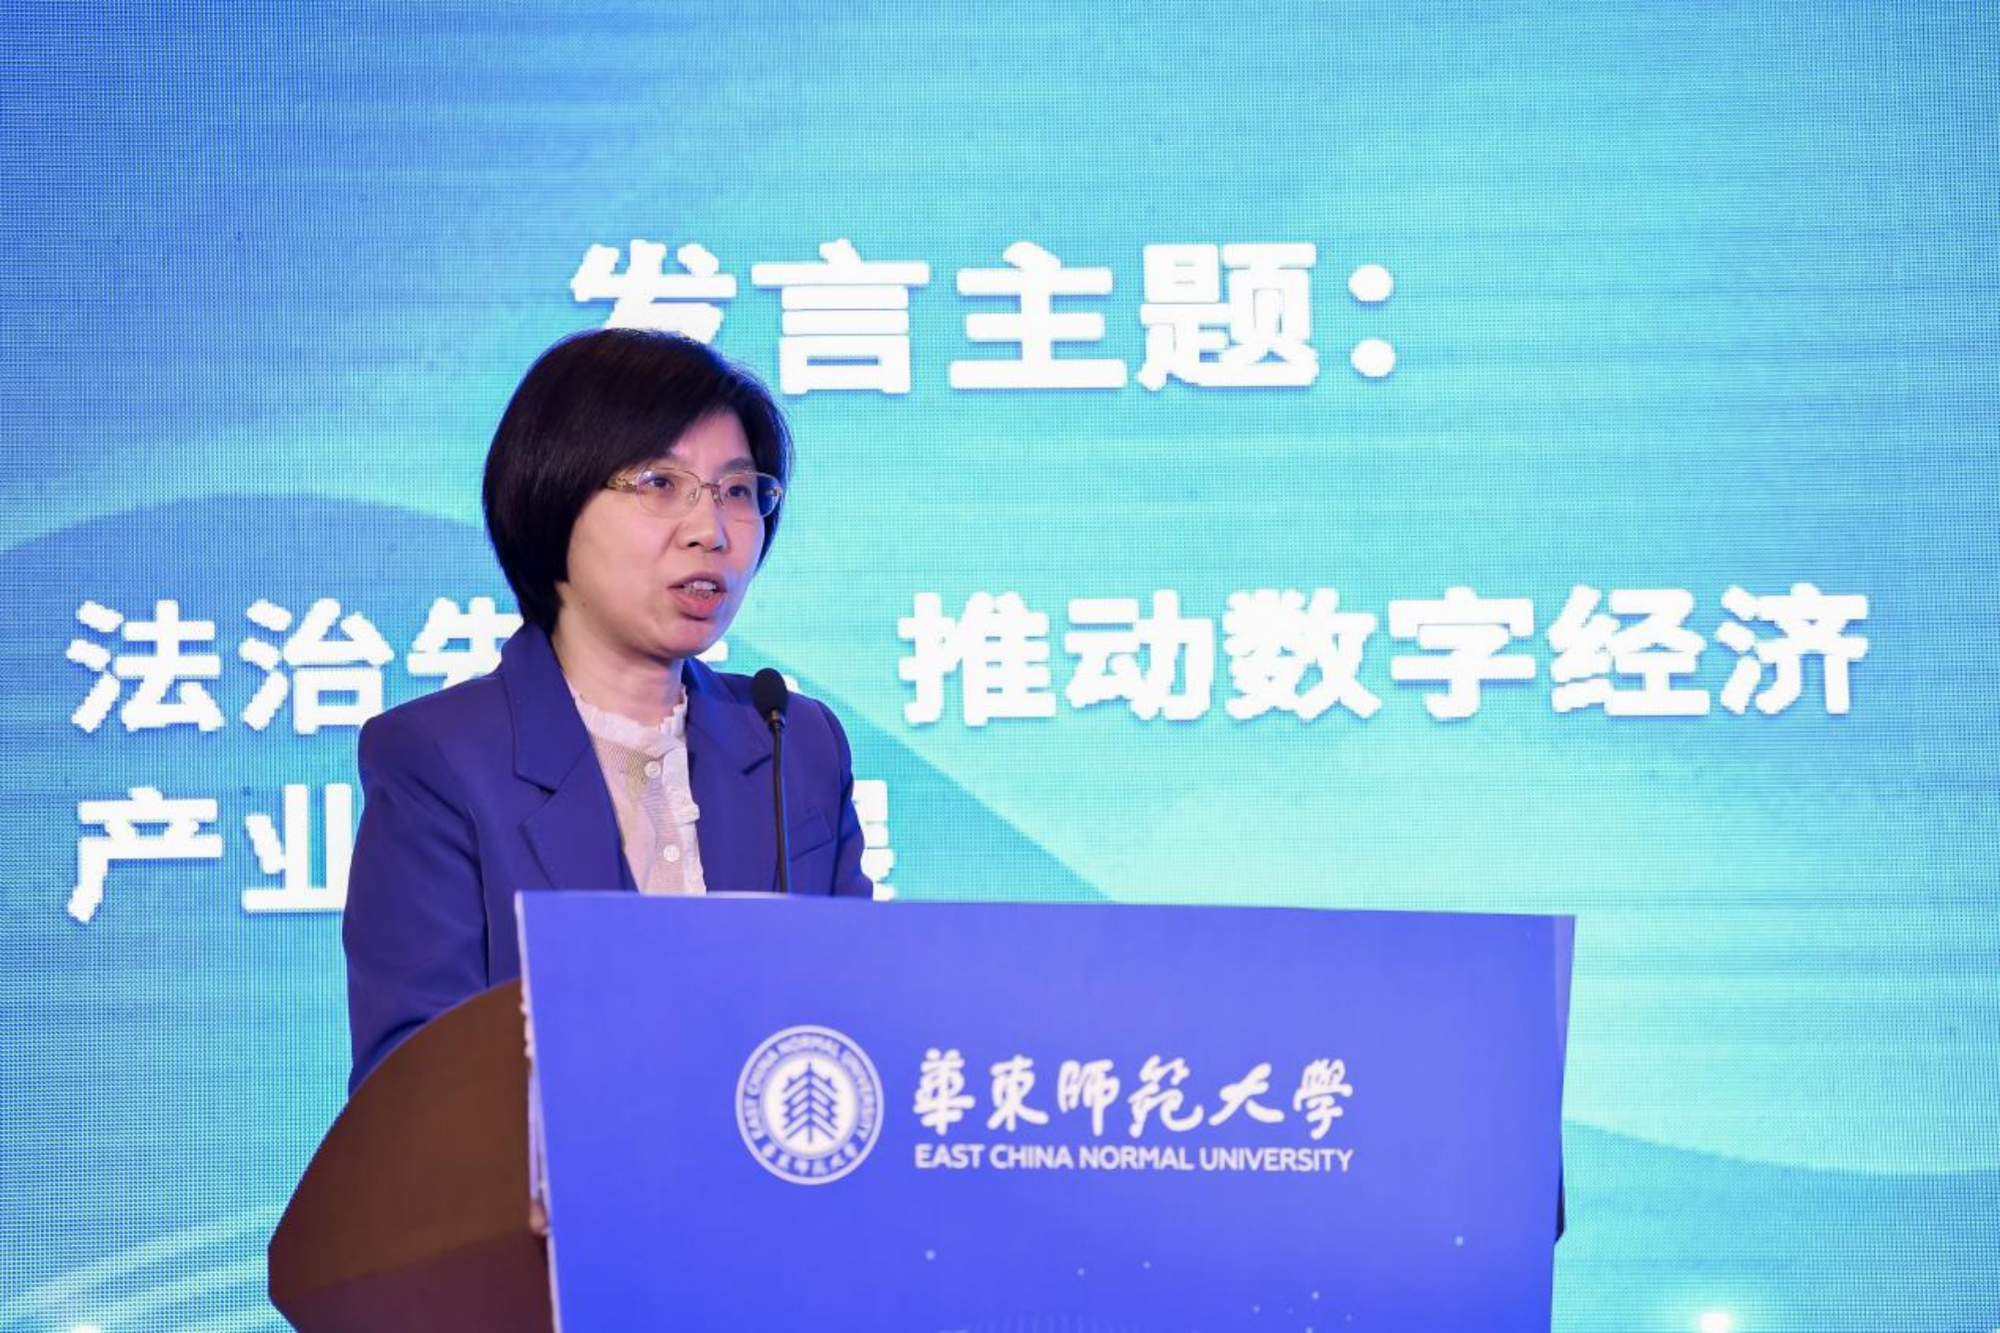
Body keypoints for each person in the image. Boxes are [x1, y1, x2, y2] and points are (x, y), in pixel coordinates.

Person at [342, 328, 872, 1094]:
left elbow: (860, 1020)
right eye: (660, 482)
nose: (711, 530)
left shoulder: (794, 741)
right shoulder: (442, 759)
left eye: (737, 490)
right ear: (553, 496)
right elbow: (414, 1088)